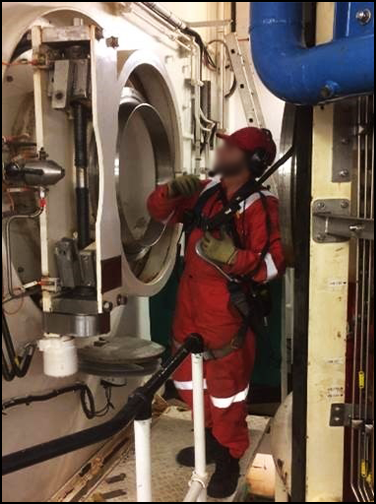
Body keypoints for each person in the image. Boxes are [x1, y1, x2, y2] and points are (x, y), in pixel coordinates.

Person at [147, 127, 285, 498]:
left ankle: (229, 456)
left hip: (225, 316)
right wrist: (170, 191)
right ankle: (207, 438)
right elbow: (157, 213)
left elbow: (272, 263)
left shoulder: (260, 205)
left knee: (227, 394)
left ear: (250, 161)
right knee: (189, 383)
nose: (221, 149)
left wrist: (232, 258)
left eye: (230, 146)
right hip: (189, 307)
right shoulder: (205, 191)